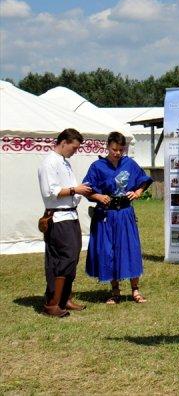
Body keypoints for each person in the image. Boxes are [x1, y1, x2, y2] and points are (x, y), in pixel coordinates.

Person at [84, 132, 153, 304]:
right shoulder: (97, 166)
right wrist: (99, 197)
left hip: (125, 213)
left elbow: (144, 180)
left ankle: (135, 290)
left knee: (130, 248)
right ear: (108, 146)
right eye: (114, 149)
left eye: (121, 150)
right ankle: (115, 291)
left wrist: (138, 192)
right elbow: (87, 189)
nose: (117, 153)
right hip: (106, 215)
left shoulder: (129, 163)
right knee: (110, 250)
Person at [37, 128, 93, 317]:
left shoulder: (64, 163)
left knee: (72, 257)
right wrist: (75, 190)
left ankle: (64, 299)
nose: (75, 151)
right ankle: (52, 303)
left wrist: (79, 191)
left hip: (70, 216)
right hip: (58, 218)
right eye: (74, 148)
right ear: (63, 143)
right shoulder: (49, 163)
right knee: (64, 258)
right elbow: (51, 191)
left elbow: (70, 189)